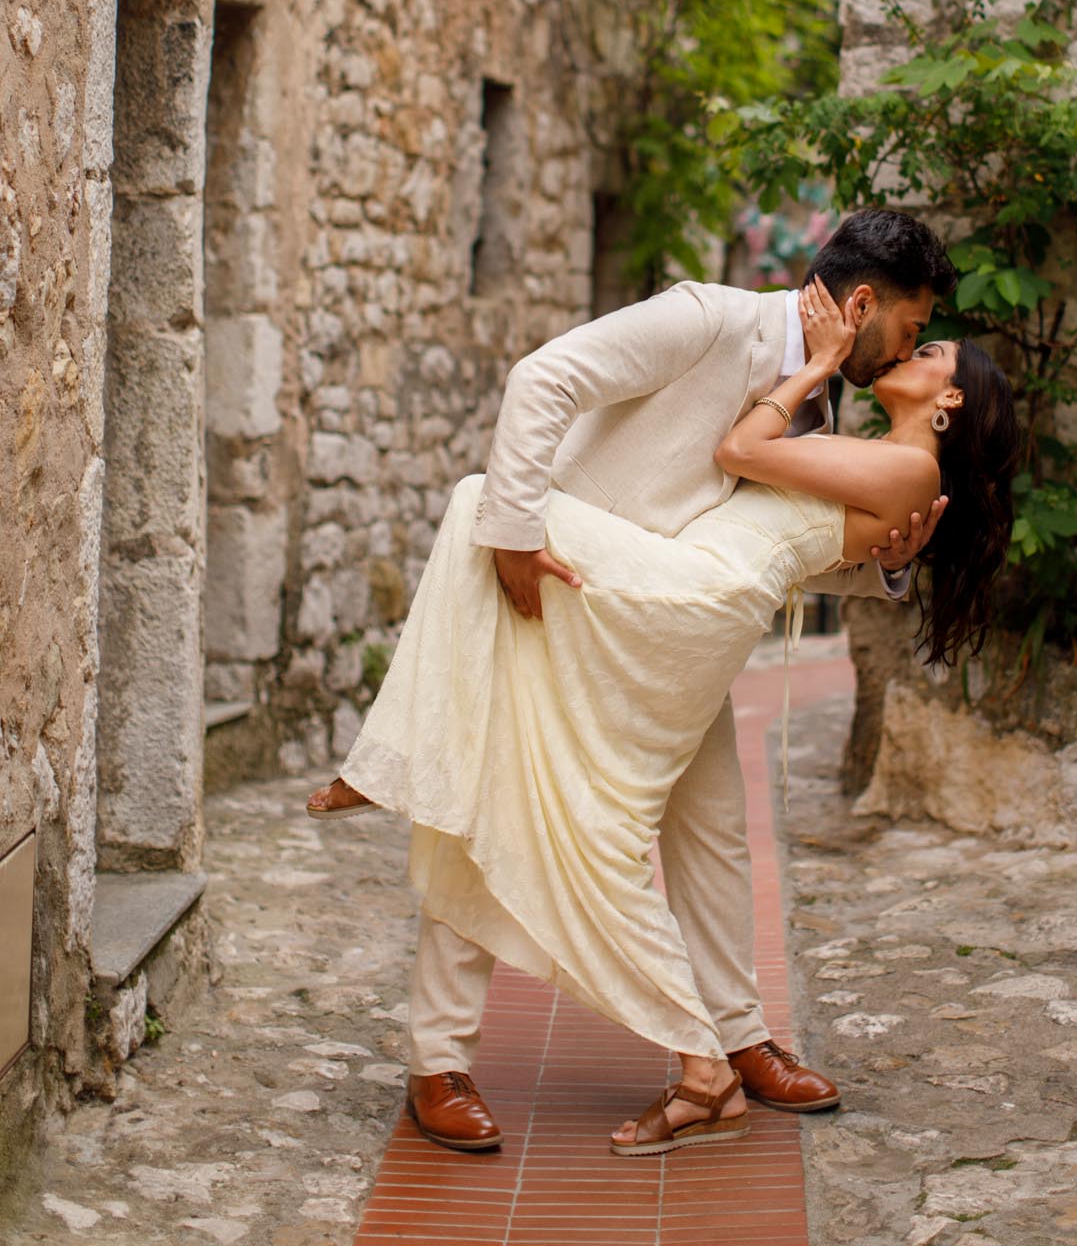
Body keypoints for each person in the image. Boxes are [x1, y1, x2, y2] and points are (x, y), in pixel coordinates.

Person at [309, 211, 1017, 1154]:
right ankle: (438, 1061)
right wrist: (515, 535)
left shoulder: (826, 403)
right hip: (570, 595)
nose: (904, 347)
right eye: (910, 325)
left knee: (714, 833)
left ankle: (736, 1037)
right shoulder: (709, 319)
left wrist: (889, 564)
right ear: (860, 304)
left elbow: (774, 540)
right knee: (492, 793)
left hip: (669, 628)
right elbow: (543, 379)